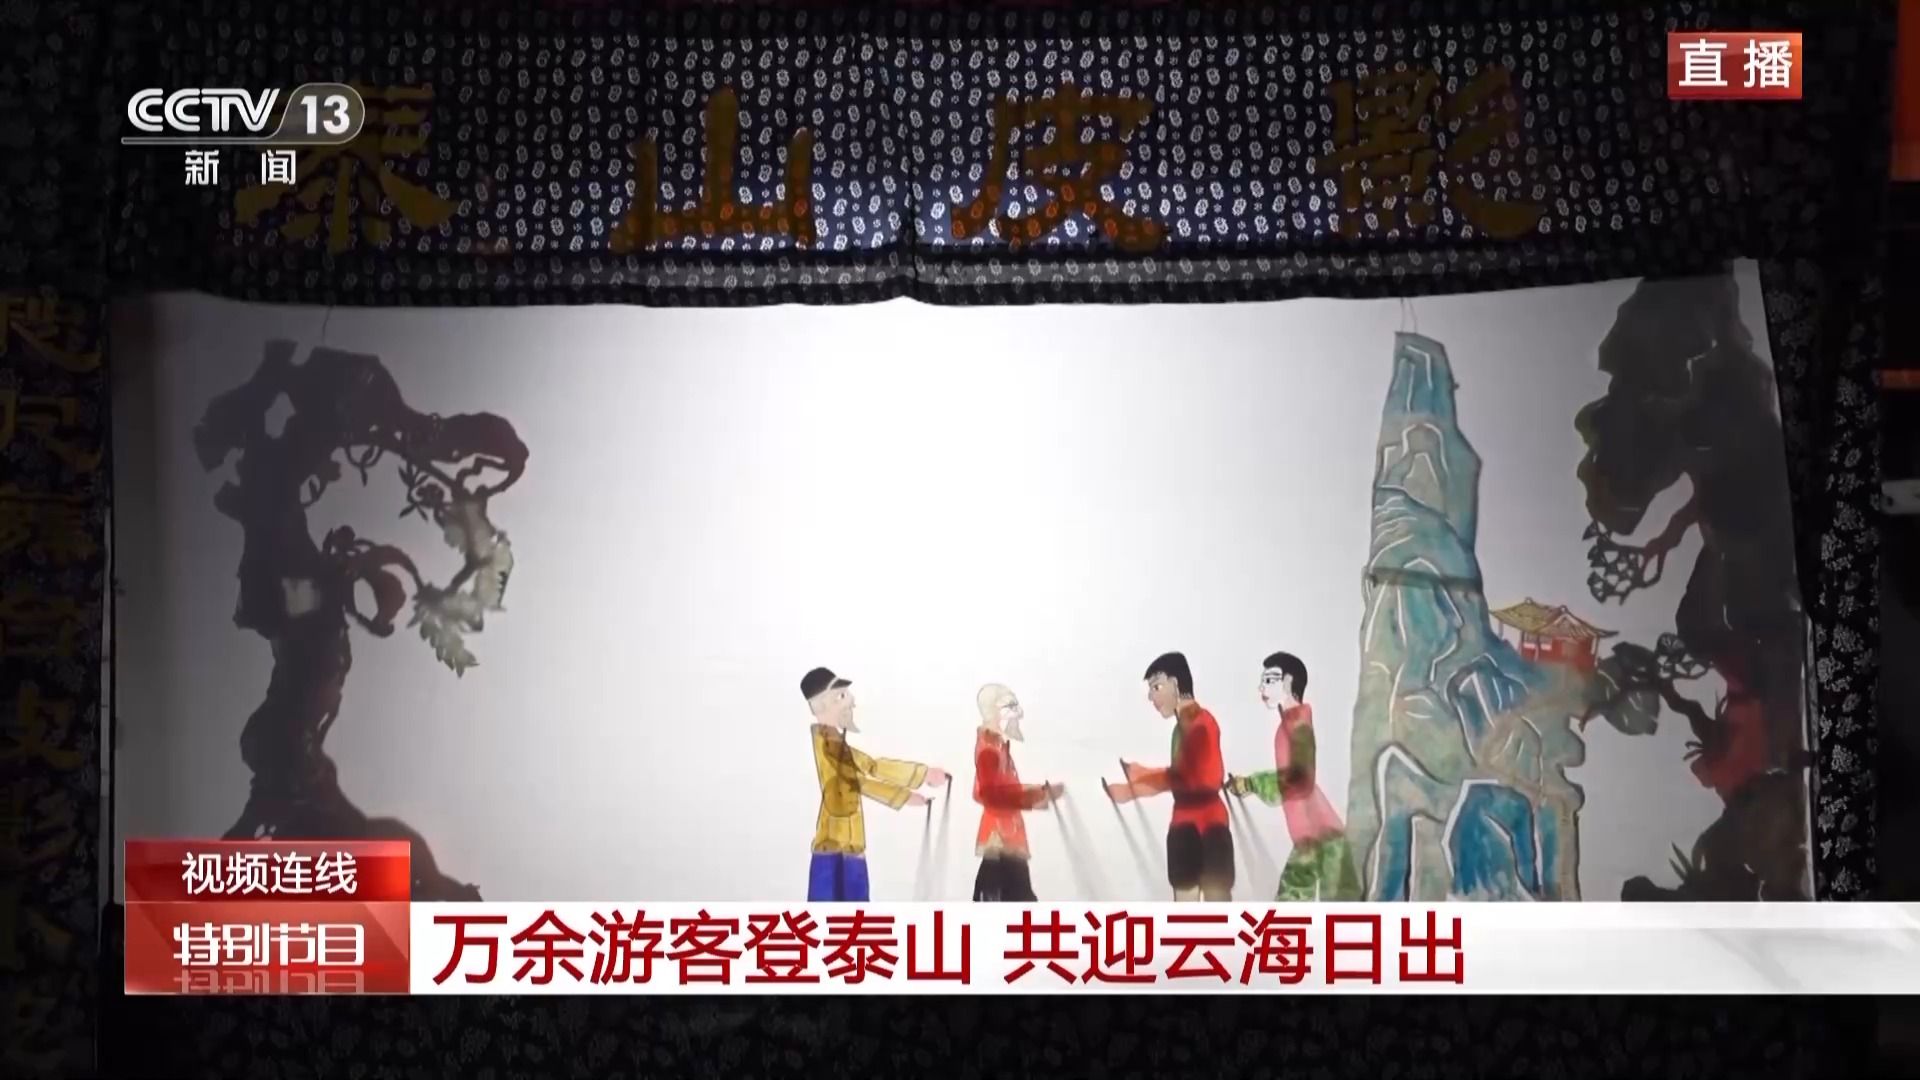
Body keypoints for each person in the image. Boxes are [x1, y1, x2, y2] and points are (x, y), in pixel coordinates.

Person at [801, 666, 947, 901]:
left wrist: (921, 776)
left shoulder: (835, 742)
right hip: (834, 848)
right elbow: (858, 781)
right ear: (820, 706)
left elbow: (870, 765)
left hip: (847, 842)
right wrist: (907, 794)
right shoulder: (828, 744)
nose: (851, 701)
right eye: (841, 696)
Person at [1227, 651, 1363, 900]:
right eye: (1263, 681)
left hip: (1322, 837)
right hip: (1309, 838)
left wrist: (1251, 783)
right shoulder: (1288, 724)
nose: (1262, 687)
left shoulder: (1299, 725)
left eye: (1270, 680)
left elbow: (1301, 779)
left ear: (1289, 682)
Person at [1107, 652, 1233, 901]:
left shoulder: (1202, 724)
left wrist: (1137, 784)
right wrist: (1140, 776)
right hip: (1184, 824)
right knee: (1185, 899)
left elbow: (1194, 779)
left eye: (1156, 687)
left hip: (1209, 825)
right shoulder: (1180, 728)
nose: (1151, 697)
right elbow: (1183, 775)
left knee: (1215, 900)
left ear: (1175, 683)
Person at [971, 683, 1065, 902]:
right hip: (1000, 837)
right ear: (992, 712)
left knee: (1011, 895)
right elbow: (988, 794)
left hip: (1006, 836)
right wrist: (1037, 795)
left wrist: (1039, 792)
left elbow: (998, 789)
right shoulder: (989, 751)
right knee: (1011, 895)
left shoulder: (997, 746)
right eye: (1009, 708)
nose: (1017, 714)